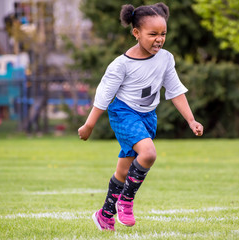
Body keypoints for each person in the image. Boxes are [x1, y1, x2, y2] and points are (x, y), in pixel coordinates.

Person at [78, 2, 204, 231]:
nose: (159, 38)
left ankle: (105, 215)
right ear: (136, 33)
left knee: (124, 171)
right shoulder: (121, 65)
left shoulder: (166, 58)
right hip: (124, 113)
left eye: (163, 33)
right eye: (153, 34)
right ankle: (125, 201)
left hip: (147, 117)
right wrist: (89, 125)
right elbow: (104, 95)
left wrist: (191, 120)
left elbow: (174, 90)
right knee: (148, 153)